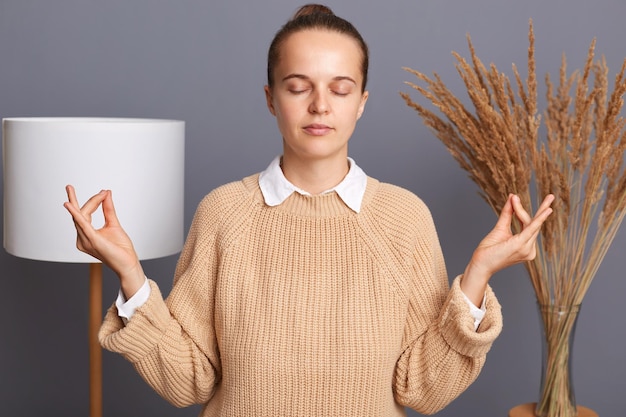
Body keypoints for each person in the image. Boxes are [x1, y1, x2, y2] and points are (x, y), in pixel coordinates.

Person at [64, 4, 554, 416]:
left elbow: (421, 389)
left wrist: (478, 274)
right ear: (271, 99)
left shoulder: (404, 218)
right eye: (298, 87)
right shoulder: (224, 213)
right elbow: (188, 382)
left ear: (361, 102)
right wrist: (129, 273)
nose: (320, 105)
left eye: (340, 89)